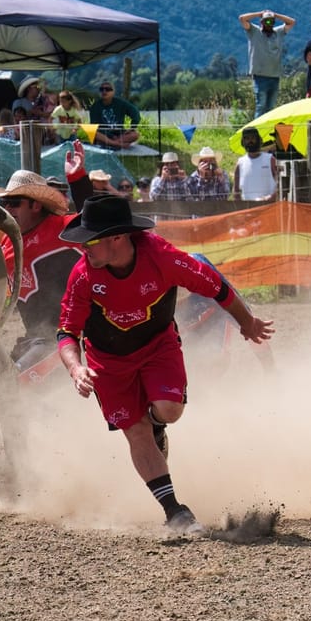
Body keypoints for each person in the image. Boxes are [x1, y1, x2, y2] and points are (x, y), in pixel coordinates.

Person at [56, 193, 274, 534]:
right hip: (108, 363)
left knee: (169, 411)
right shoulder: (83, 275)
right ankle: (175, 511)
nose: (84, 249)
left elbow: (217, 287)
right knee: (135, 431)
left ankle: (157, 426)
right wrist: (75, 367)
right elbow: (67, 332)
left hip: (158, 347)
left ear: (117, 237)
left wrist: (247, 323)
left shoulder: (162, 257)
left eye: (91, 241)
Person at [0, 147, 85, 366]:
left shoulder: (61, 228)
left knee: (16, 384)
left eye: (15, 202)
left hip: (70, 335)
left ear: (35, 205)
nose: (8, 209)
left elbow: (93, 222)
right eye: (5, 203)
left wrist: (77, 179)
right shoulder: (7, 244)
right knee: (0, 382)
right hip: (36, 337)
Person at [238, 9, 296, 117]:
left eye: (272, 22)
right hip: (260, 77)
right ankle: (257, 131)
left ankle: (268, 131)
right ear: (262, 22)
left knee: (271, 108)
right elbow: (242, 18)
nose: (269, 24)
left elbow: (292, 22)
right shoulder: (254, 32)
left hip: (275, 76)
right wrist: (259, 14)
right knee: (261, 106)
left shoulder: (278, 33)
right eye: (267, 21)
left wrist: (276, 15)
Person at [91, 81, 141, 149]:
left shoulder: (120, 103)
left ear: (113, 92)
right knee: (93, 132)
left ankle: (111, 144)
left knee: (135, 134)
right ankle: (118, 144)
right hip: (103, 134)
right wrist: (110, 136)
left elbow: (135, 112)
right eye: (102, 89)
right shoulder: (95, 106)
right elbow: (94, 126)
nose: (104, 91)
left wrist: (132, 127)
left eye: (108, 89)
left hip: (118, 134)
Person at [233, 128, 279, 201]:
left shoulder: (270, 159)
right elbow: (236, 192)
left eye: (253, 138)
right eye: (247, 139)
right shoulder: (240, 163)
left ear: (258, 140)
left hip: (270, 207)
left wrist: (268, 199)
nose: (250, 141)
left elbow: (280, 186)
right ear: (243, 142)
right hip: (248, 209)